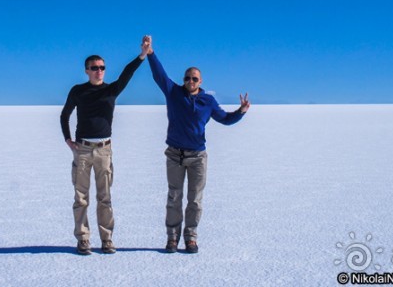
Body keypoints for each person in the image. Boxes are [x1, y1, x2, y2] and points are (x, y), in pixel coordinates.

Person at [144, 36, 251, 254]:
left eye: (194, 78)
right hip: (174, 154)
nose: (190, 81)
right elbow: (159, 75)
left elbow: (225, 119)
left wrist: (241, 112)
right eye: (187, 78)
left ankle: (190, 237)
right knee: (174, 197)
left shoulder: (208, 102)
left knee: (195, 200)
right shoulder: (174, 93)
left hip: (197, 157)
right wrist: (150, 53)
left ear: (200, 81)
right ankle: (172, 238)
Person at [60, 36, 151, 255]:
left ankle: (107, 239)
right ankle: (83, 239)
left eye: (102, 67)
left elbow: (127, 73)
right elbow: (65, 115)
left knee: (105, 197)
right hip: (82, 150)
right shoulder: (78, 91)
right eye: (95, 68)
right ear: (87, 70)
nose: (99, 71)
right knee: (81, 198)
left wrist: (142, 55)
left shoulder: (111, 90)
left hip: (104, 150)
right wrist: (68, 140)